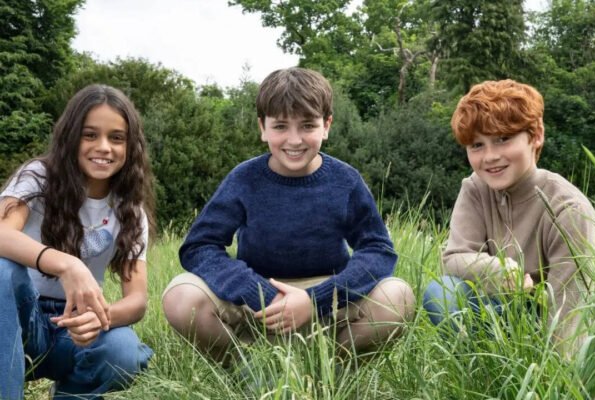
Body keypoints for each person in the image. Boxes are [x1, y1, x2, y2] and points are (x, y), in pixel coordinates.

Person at [162, 67, 415, 362]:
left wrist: (315, 300)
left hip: (327, 303)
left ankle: (330, 367)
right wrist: (256, 291)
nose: (294, 140)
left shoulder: (345, 181)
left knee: (398, 297)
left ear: (326, 125)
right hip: (256, 304)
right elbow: (199, 246)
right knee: (181, 297)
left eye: (307, 125)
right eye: (280, 126)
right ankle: (247, 368)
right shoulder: (244, 179)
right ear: (262, 127)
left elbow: (378, 249)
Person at [0, 84, 155, 399]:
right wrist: (67, 265)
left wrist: (100, 317)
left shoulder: (130, 210)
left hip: (75, 326)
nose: (104, 147)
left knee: (123, 351)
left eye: (116, 138)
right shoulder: (37, 176)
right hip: (17, 315)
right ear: (70, 136)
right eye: (90, 135)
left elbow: (137, 300)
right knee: (3, 270)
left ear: (130, 146)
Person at [423, 79, 595, 355]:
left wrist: (556, 373)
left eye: (503, 139)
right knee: (441, 292)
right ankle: (479, 369)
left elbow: (570, 309)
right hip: (494, 309)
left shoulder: (569, 208)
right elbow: (454, 257)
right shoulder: (475, 189)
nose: (490, 156)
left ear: (536, 136)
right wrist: (498, 270)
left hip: (545, 320)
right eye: (477, 145)